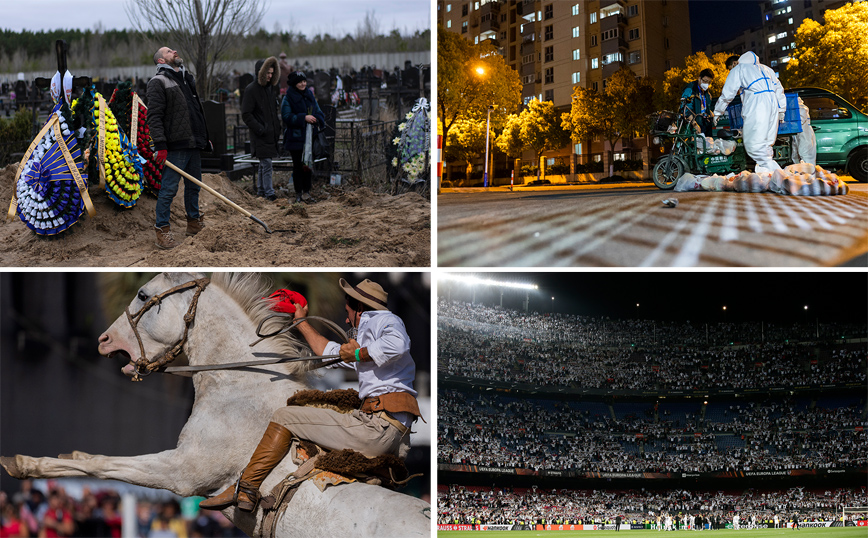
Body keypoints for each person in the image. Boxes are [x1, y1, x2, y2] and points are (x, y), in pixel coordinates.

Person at [199, 277, 422, 512]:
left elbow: (398, 345)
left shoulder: (382, 319)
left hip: (376, 427)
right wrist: (301, 322)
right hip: (389, 429)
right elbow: (327, 352)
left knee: (285, 417)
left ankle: (246, 488)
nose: (346, 319)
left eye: (348, 312)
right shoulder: (371, 350)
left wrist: (356, 354)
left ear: (360, 308)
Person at [147, 46, 211, 250]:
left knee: (194, 186)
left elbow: (195, 112)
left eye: (173, 50)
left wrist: (204, 137)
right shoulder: (158, 82)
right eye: (168, 51)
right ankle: (162, 230)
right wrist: (161, 145)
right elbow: (154, 116)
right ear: (161, 61)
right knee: (168, 189)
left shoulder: (186, 78)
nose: (174, 51)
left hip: (193, 143)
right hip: (175, 145)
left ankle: (193, 223)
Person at [712, 51, 787, 174]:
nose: (731, 70)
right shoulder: (767, 69)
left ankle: (776, 172)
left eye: (731, 67)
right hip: (773, 103)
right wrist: (781, 110)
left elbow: (727, 93)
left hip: (757, 104)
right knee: (767, 143)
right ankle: (767, 175)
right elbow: (779, 89)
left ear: (735, 63)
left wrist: (718, 112)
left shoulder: (739, 69)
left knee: (753, 145)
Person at [281, 71, 325, 203]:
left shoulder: (309, 94)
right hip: (295, 138)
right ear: (294, 84)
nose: (303, 84)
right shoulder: (288, 98)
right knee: (298, 166)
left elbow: (318, 111)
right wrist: (303, 117)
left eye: (304, 81)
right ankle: (298, 193)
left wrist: (316, 119)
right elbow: (286, 116)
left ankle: (307, 192)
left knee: (307, 166)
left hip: (309, 137)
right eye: (300, 82)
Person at [241, 57, 281, 201]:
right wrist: (260, 129)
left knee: (264, 164)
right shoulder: (251, 89)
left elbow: (272, 111)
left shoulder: (270, 88)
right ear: (260, 72)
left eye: (272, 73)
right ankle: (269, 193)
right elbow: (246, 114)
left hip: (270, 133)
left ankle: (262, 191)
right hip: (260, 134)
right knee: (267, 163)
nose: (270, 76)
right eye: (267, 73)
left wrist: (276, 126)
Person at [681, 69, 715, 136]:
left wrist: (710, 112)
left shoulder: (707, 93)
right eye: (705, 81)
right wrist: (694, 124)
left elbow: (704, 106)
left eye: (709, 82)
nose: (706, 84)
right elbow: (686, 108)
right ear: (699, 78)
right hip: (693, 126)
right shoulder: (690, 88)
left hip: (705, 125)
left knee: (707, 145)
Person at [791, 96, 816, 165]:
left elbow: (800, 120)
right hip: (802, 134)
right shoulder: (800, 107)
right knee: (798, 156)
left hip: (804, 134)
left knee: (805, 156)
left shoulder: (800, 108)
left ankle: (808, 174)